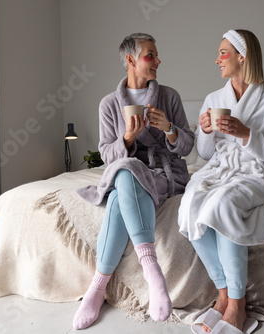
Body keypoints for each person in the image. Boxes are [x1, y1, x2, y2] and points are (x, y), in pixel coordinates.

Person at [73, 33, 194, 330]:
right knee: (126, 169)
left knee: (118, 193)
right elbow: (105, 154)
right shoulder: (108, 104)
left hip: (163, 172)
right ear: (130, 60)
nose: (158, 61)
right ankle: (152, 269)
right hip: (128, 170)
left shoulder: (169, 96)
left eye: (156, 55)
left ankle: (98, 287)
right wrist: (127, 138)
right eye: (150, 55)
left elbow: (188, 146)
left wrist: (169, 129)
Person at [178, 29, 264, 334]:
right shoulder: (214, 99)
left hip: (255, 173)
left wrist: (246, 134)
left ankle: (238, 307)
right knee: (189, 203)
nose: (217, 60)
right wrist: (204, 131)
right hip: (217, 170)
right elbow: (204, 153)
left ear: (243, 57)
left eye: (223, 53)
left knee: (221, 203)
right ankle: (224, 295)